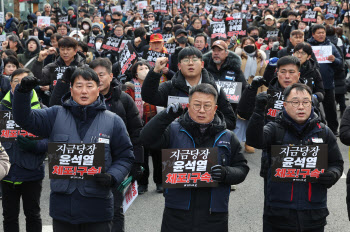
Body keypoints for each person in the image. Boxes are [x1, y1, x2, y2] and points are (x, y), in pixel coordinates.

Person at [12, 67, 134, 231]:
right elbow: (24, 119)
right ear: (71, 89)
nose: (84, 91)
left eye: (89, 86)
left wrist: (113, 176)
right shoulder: (55, 115)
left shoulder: (113, 121)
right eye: (79, 86)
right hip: (63, 208)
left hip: (98, 208)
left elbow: (125, 156)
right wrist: (23, 92)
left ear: (98, 90)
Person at [140, 83, 249, 232]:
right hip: (177, 213)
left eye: (207, 106)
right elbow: (146, 139)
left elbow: (242, 168)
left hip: (214, 214)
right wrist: (166, 115)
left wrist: (226, 173)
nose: (202, 110)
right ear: (189, 105)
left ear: (215, 108)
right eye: (197, 105)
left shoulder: (228, 136)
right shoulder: (173, 130)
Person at [246, 83, 343, 232]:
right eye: (295, 102)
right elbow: (254, 140)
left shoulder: (323, 132)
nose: (301, 106)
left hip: (314, 213)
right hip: (279, 213)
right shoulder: (274, 129)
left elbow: (336, 162)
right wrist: (258, 111)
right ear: (285, 105)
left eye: (306, 102)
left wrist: (333, 174)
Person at [141, 46, 236, 130]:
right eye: (186, 60)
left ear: (202, 64)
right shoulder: (170, 87)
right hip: (176, 142)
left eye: (194, 59)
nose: (190, 63)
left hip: (206, 145)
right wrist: (155, 71)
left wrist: (209, 124)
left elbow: (230, 121)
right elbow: (148, 97)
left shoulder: (216, 89)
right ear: (179, 66)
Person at [1, 68, 47, 232]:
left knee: (33, 214)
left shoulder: (43, 110)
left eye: (26, 81)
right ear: (10, 84)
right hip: (6, 173)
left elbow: (54, 140)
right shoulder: (1, 109)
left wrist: (36, 146)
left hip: (32, 172)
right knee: (9, 216)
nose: (21, 84)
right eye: (16, 81)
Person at [126, 61, 162, 194]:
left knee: (158, 155)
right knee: (142, 156)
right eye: (141, 68)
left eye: (147, 67)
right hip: (139, 126)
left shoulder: (156, 84)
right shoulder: (129, 87)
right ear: (135, 72)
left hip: (156, 124)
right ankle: (142, 183)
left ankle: (160, 182)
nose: (144, 70)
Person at [308, 24, 342, 135]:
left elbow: (340, 62)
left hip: (327, 83)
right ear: (313, 34)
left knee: (330, 108)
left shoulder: (331, 46)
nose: (321, 35)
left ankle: (333, 130)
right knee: (311, 107)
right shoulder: (307, 46)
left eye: (323, 32)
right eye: (318, 33)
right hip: (311, 83)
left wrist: (334, 60)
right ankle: (311, 128)